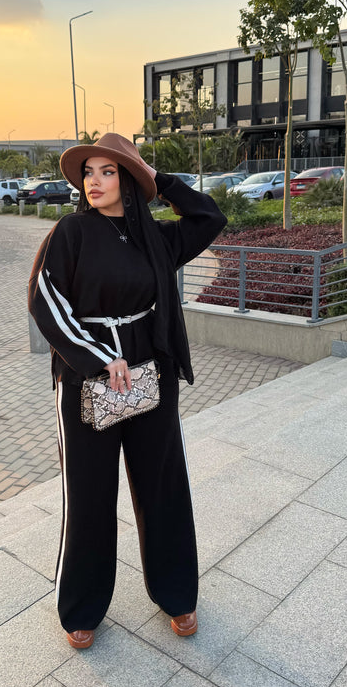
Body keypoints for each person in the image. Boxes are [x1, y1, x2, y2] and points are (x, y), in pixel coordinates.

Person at [28, 133, 226, 649]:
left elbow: (209, 217)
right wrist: (98, 357)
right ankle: (82, 607)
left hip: (149, 370)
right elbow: (45, 302)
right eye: (88, 172)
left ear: (130, 180)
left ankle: (177, 595)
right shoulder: (70, 232)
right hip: (87, 375)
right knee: (90, 493)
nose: (94, 181)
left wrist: (157, 179)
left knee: (163, 486)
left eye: (109, 171)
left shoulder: (156, 237)